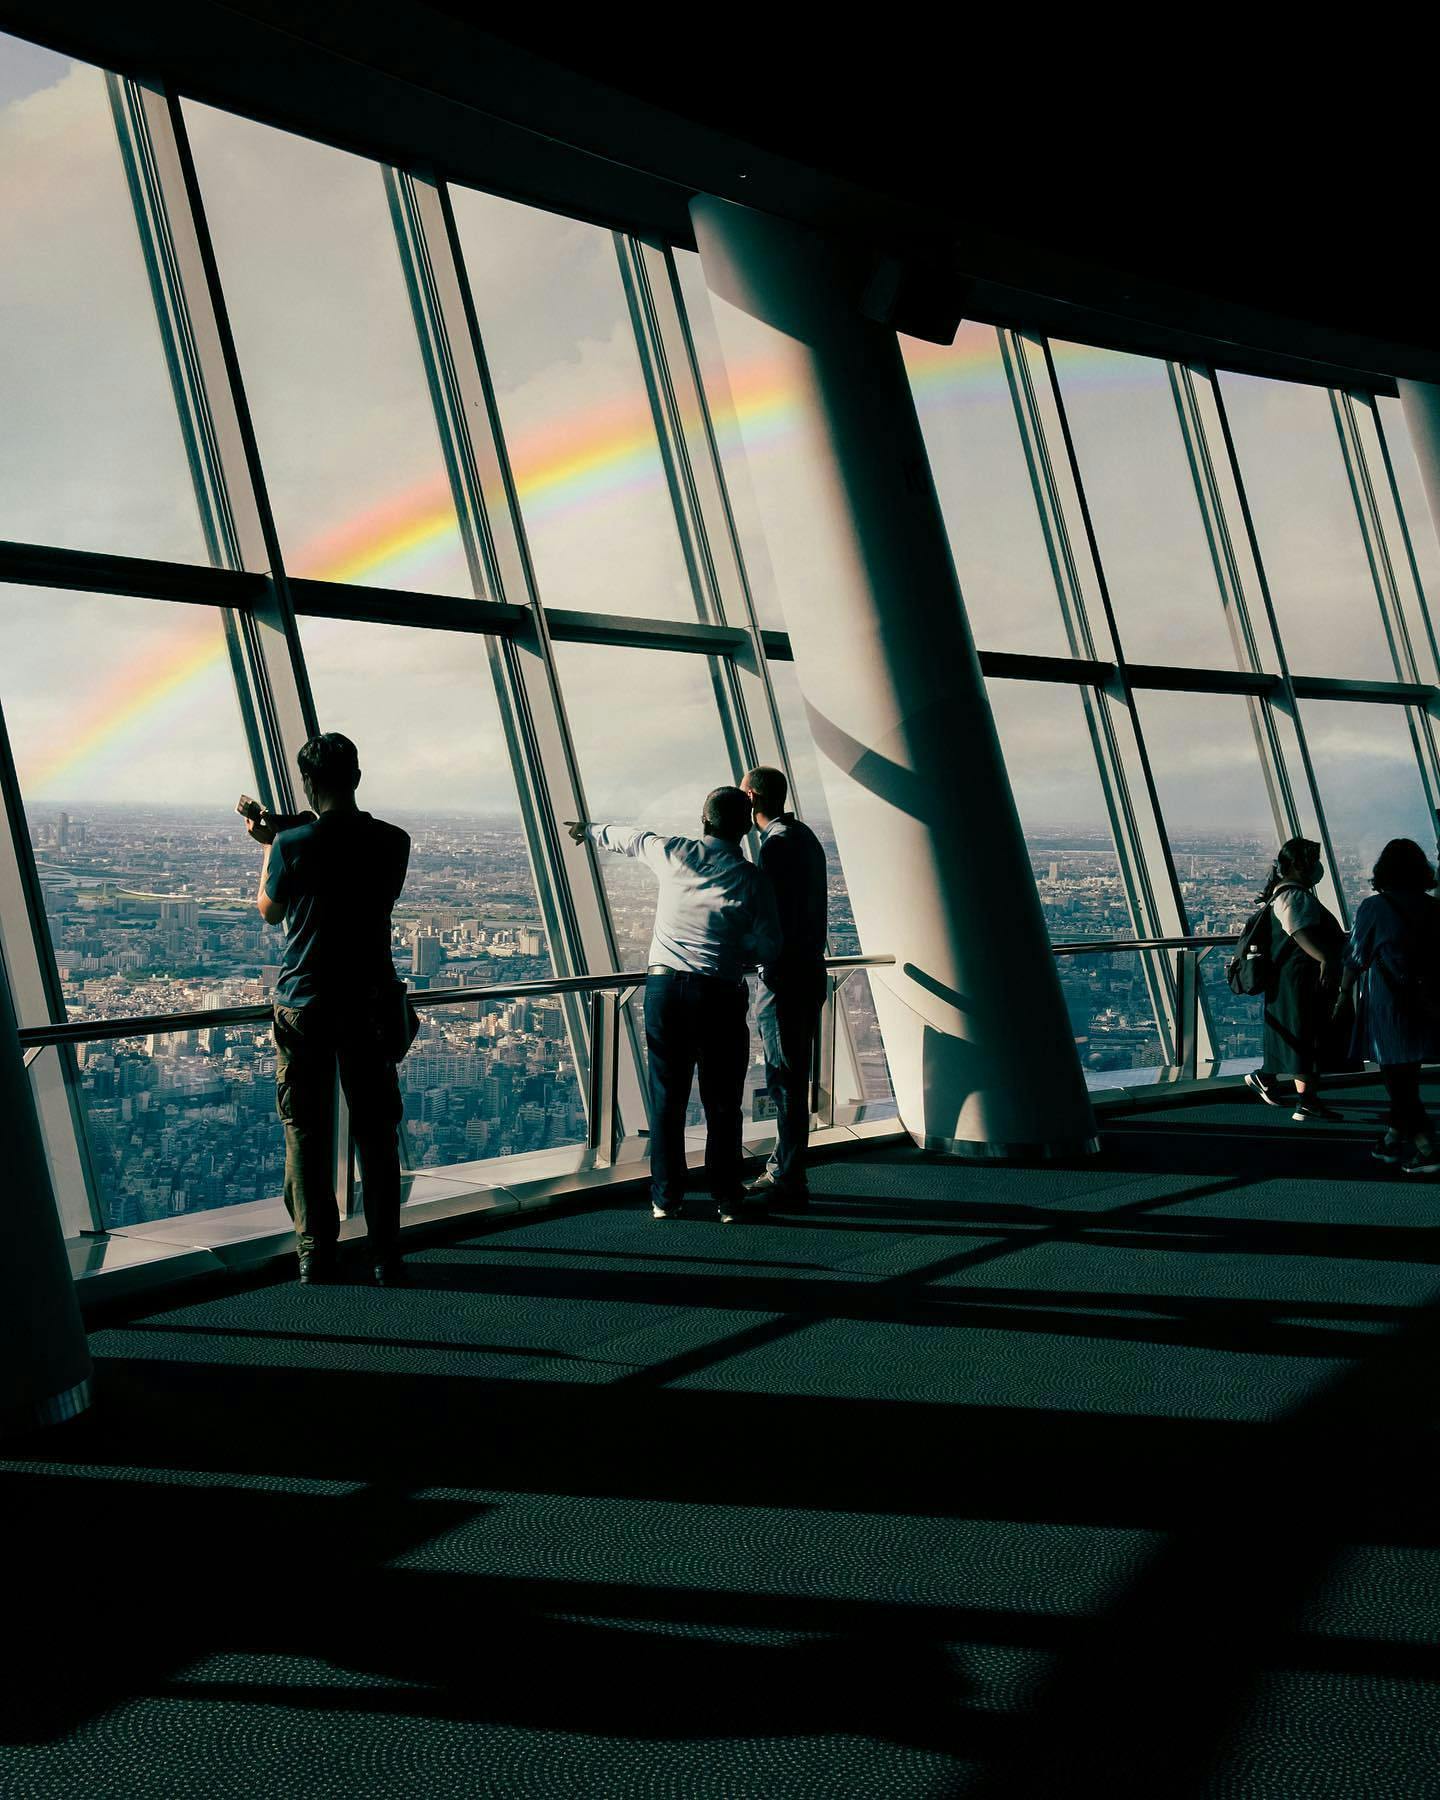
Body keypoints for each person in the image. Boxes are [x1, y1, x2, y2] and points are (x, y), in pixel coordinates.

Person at [567, 790, 781, 1221]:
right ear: (744, 828)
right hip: (719, 992)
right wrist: (737, 951)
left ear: (703, 818)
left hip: (665, 991)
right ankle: (726, 1197)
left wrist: (589, 830)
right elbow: (769, 946)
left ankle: (667, 1198)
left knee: (668, 1099)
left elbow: (630, 838)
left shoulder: (674, 853)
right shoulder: (752, 879)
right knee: (722, 1101)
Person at [248, 733, 412, 1285]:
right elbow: (358, 867)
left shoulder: (292, 845)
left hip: (306, 1000)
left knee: (305, 1127)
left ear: (308, 783)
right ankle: (386, 1254)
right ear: (358, 776)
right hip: (369, 1001)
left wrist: (272, 843)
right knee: (376, 1131)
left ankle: (315, 1251)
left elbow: (270, 912)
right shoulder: (394, 842)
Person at [739, 766, 828, 1212]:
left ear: (751, 797)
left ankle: (787, 1175)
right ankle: (787, 1168)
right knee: (792, 1075)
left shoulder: (776, 847)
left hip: (785, 976)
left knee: (785, 1077)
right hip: (807, 971)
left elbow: (772, 915)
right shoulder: (803, 836)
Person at [1337, 838, 1440, 1174]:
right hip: (1427, 1000)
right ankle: (1392, 1139)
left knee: (1395, 1076)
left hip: (1389, 1001)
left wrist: (1342, 995)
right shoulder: (1433, 908)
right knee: (1406, 1073)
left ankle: (1427, 1147)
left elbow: (1355, 957)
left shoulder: (1373, 908)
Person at [1243, 837, 1350, 1122]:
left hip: (1292, 980)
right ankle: (1306, 1100)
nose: (1318, 868)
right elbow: (1299, 932)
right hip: (1297, 980)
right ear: (1302, 865)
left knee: (1299, 1034)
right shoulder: (1294, 896)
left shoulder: (1286, 893)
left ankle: (1275, 1082)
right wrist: (1325, 958)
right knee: (1305, 1035)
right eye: (1314, 862)